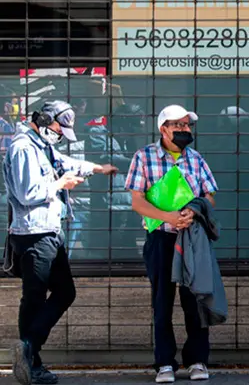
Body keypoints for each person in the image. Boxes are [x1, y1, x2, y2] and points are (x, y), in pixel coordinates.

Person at [3, 100, 117, 385]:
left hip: (48, 231)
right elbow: (28, 193)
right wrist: (60, 184)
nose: (59, 135)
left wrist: (97, 168)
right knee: (37, 297)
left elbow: (65, 162)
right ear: (43, 119)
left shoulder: (40, 145)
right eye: (58, 128)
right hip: (33, 234)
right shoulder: (23, 147)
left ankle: (29, 353)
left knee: (57, 293)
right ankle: (30, 353)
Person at [125, 105, 218, 384]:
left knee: (195, 300)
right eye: (179, 125)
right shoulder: (144, 157)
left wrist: (193, 211)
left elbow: (209, 196)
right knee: (162, 302)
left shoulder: (196, 159)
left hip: (192, 239)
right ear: (163, 128)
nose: (185, 130)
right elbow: (137, 201)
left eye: (188, 125)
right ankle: (164, 362)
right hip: (161, 239)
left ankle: (197, 360)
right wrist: (167, 216)